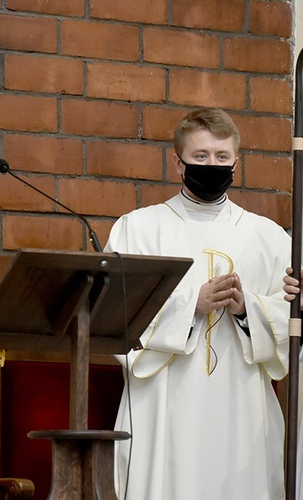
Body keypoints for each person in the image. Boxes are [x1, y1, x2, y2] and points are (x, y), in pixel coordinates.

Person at [104, 107, 290, 499]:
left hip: (242, 412)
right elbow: (113, 315)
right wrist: (191, 305)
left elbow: (290, 323)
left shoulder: (270, 238)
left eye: (222, 157)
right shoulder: (137, 230)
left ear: (236, 162)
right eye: (200, 157)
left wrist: (247, 310)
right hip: (162, 409)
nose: (212, 165)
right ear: (178, 162)